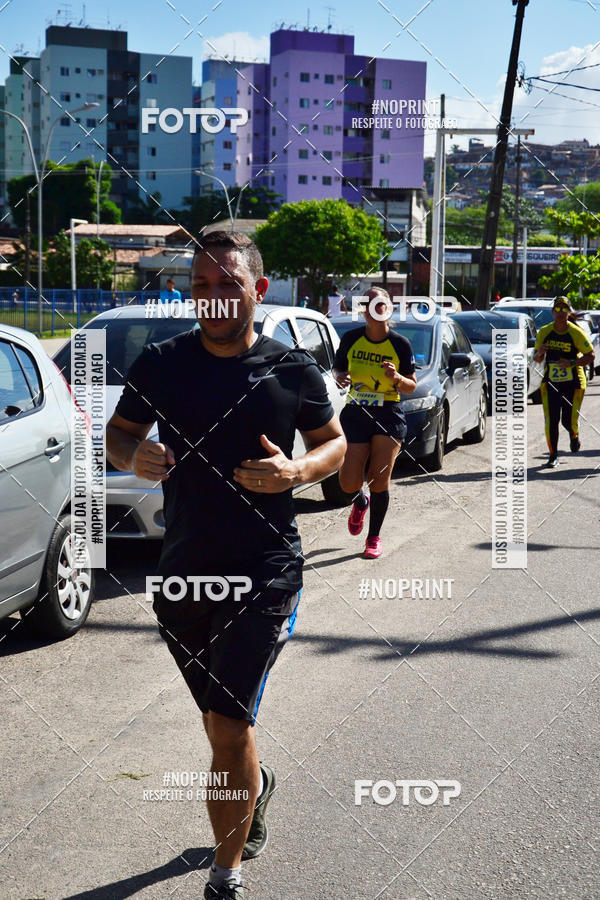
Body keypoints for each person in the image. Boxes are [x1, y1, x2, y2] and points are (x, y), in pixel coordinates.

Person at [106, 231, 346, 899]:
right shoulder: (160, 363)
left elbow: (334, 444)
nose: (214, 298)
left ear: (257, 291)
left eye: (229, 285)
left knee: (231, 720)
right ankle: (255, 783)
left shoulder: (292, 367)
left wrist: (297, 469)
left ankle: (225, 875)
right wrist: (133, 457)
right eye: (203, 287)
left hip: (266, 567)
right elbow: (119, 434)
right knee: (219, 725)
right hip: (183, 567)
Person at [332, 287, 417, 558]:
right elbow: (338, 370)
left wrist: (397, 379)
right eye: (368, 303)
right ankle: (360, 500)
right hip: (356, 411)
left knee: (379, 480)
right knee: (347, 483)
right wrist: (340, 378)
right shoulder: (351, 338)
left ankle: (373, 538)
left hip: (388, 413)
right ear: (363, 309)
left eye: (380, 303)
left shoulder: (400, 344)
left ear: (388, 307)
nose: (374, 307)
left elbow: (411, 387)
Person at [533, 296, 595, 467]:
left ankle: (574, 434)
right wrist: (539, 354)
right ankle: (553, 455)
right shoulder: (544, 332)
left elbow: (591, 355)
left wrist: (571, 363)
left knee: (568, 420)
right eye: (558, 309)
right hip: (551, 382)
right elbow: (537, 359)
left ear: (569, 312)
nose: (561, 313)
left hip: (573, 382)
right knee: (551, 419)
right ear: (553, 312)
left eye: (564, 309)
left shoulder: (575, 332)